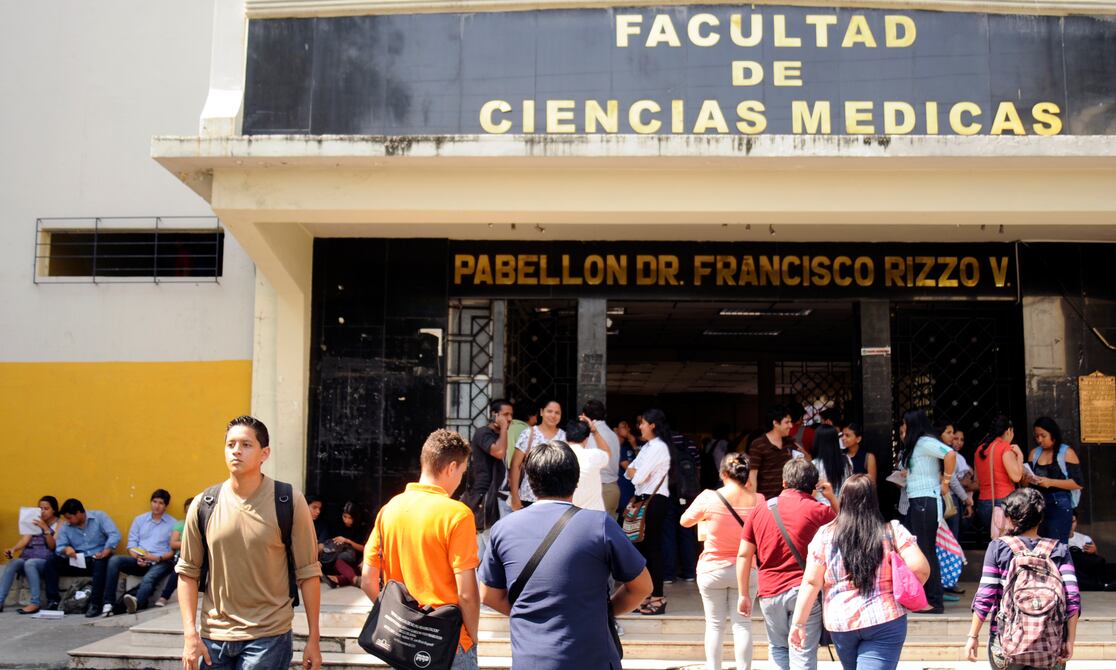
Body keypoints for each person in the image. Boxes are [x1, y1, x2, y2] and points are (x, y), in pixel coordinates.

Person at [479, 440, 652, 670]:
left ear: (530, 481)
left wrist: (529, 613)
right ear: (576, 479)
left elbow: (488, 595)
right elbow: (642, 587)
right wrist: (605, 612)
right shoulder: (600, 525)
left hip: (531, 661)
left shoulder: (503, 529)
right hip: (592, 659)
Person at [176, 416, 322, 670]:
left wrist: (314, 639)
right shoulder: (204, 504)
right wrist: (190, 635)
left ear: (264, 453)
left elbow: (308, 573)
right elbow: (187, 572)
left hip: (269, 636)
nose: (236, 451)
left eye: (246, 445)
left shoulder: (288, 501)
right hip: (214, 637)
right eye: (230, 444)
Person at [361, 429, 480, 670]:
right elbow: (467, 593)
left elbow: (367, 579)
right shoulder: (457, 514)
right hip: (448, 641)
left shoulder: (390, 509)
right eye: (462, 472)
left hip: (403, 641)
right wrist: (472, 636)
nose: (460, 480)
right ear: (451, 468)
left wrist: (400, 617)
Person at [789, 474, 930, 670]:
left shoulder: (825, 535)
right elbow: (920, 569)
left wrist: (798, 623)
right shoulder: (892, 531)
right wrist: (903, 592)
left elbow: (812, 582)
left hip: (841, 621)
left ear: (844, 500)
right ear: (873, 499)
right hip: (885, 617)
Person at [964, 488, 1080, 669]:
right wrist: (1069, 640)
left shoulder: (998, 548)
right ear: (1041, 518)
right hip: (1051, 642)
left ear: (1010, 518)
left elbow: (985, 597)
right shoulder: (1059, 550)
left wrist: (973, 636)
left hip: (1006, 641)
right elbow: (1072, 599)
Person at [738, 459, 837, 670]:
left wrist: (743, 594)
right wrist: (831, 498)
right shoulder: (820, 511)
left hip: (769, 592)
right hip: (805, 592)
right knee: (802, 652)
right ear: (813, 486)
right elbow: (845, 529)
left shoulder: (759, 510)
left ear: (784, 482)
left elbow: (744, 555)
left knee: (778, 648)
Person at [681, 453, 763, 670]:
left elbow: (685, 521)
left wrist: (708, 517)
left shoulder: (709, 497)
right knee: (742, 625)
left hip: (712, 569)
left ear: (724, 473)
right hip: (746, 570)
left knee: (715, 625)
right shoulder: (759, 500)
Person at [897, 409, 955, 614]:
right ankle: (926, 597)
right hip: (918, 500)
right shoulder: (915, 444)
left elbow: (950, 454)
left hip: (926, 499)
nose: (902, 427)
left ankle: (934, 600)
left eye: (905, 423)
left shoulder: (924, 442)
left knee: (926, 550)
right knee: (921, 549)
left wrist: (946, 482)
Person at [625, 408, 673, 615]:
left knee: (653, 548)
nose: (640, 427)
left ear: (652, 425)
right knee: (642, 548)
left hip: (655, 500)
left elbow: (637, 476)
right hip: (644, 499)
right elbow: (629, 472)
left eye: (642, 423)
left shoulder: (659, 447)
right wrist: (634, 472)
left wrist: (634, 472)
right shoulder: (647, 447)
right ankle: (647, 595)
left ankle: (658, 597)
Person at [42, 498, 121, 617]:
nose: (68, 521)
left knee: (100, 562)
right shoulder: (67, 526)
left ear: (79, 513)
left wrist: (107, 550)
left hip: (98, 557)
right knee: (52, 562)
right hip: (78, 559)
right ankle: (53, 601)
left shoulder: (99, 517)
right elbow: (60, 546)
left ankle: (95, 604)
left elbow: (114, 534)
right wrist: (66, 549)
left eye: (69, 518)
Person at [105, 488, 178, 615]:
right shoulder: (140, 520)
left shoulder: (173, 523)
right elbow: (131, 544)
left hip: (161, 561)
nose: (157, 506)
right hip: (139, 559)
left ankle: (137, 603)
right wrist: (138, 557)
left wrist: (156, 558)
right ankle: (108, 602)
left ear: (165, 506)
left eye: (161, 503)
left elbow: (172, 551)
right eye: (154, 502)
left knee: (149, 577)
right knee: (114, 560)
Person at [465, 399, 514, 564]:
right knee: (492, 546)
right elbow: (499, 452)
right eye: (505, 415)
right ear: (494, 415)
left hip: (498, 497)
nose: (509, 419)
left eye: (511, 415)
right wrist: (504, 429)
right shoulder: (483, 433)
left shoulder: (499, 436)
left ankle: (480, 578)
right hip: (485, 497)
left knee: (485, 549)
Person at [0, 496, 60, 614]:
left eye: (46, 509)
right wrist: (13, 549)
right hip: (29, 556)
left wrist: (45, 528)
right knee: (14, 562)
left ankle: (35, 603)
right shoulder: (35, 521)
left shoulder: (59, 524)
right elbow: (25, 540)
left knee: (30, 563)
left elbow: (53, 546)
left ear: (54, 510)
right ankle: (0, 600)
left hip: (45, 560)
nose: (42, 511)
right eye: (40, 508)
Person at [1028, 417, 1084, 544]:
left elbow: (1078, 483)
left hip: (1059, 505)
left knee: (1057, 546)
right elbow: (1027, 485)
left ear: (1053, 434)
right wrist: (1026, 478)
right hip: (1038, 506)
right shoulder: (1034, 454)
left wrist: (1050, 482)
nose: (1039, 440)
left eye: (1043, 436)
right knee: (1039, 546)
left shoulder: (1066, 453)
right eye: (1036, 436)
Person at [974, 415, 1025, 537]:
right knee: (1007, 542)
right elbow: (1017, 477)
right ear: (1008, 431)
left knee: (995, 541)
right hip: (1004, 502)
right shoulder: (1005, 448)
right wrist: (1020, 456)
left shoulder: (980, 449)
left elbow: (977, 481)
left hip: (984, 503)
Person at [509, 400, 566, 511]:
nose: (553, 415)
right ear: (541, 412)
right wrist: (515, 495)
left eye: (557, 412)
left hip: (557, 498)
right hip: (529, 496)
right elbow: (516, 465)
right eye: (549, 411)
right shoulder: (528, 434)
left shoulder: (564, 437)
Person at [580, 399, 621, 514]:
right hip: (613, 488)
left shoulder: (591, 435)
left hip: (599, 490)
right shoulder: (613, 435)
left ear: (585, 416)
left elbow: (590, 462)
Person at [748, 405, 797, 500]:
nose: (791, 426)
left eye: (790, 422)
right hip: (767, 501)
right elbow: (753, 475)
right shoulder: (758, 444)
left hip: (787, 499)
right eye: (787, 422)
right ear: (775, 423)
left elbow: (804, 460)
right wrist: (755, 502)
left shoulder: (790, 442)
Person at [155, 496, 193, 607]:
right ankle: (164, 597)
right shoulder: (180, 525)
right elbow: (173, 543)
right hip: (183, 556)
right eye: (188, 510)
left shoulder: (205, 525)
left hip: (199, 557)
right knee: (179, 568)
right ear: (185, 511)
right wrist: (191, 544)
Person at [564, 420, 608, 511]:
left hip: (568, 514)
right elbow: (607, 453)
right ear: (586, 439)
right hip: (594, 514)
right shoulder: (594, 455)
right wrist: (595, 432)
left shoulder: (557, 458)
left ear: (566, 437)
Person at [1067, 510, 1116, 591]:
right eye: (1067, 521)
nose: (1070, 525)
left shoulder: (1084, 538)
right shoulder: (1056, 539)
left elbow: (1096, 560)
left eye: (1073, 522)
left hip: (1088, 570)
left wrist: (1094, 551)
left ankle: (1104, 584)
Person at [324, 502, 366, 587]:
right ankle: (351, 579)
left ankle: (341, 579)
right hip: (341, 558)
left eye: (350, 518)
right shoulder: (338, 526)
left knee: (341, 563)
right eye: (344, 516)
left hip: (358, 560)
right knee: (338, 563)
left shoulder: (361, 528)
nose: (346, 520)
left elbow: (364, 548)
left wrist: (347, 541)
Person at [812, 425, 851, 504]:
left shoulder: (814, 464)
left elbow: (813, 493)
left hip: (822, 507)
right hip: (843, 505)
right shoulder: (846, 460)